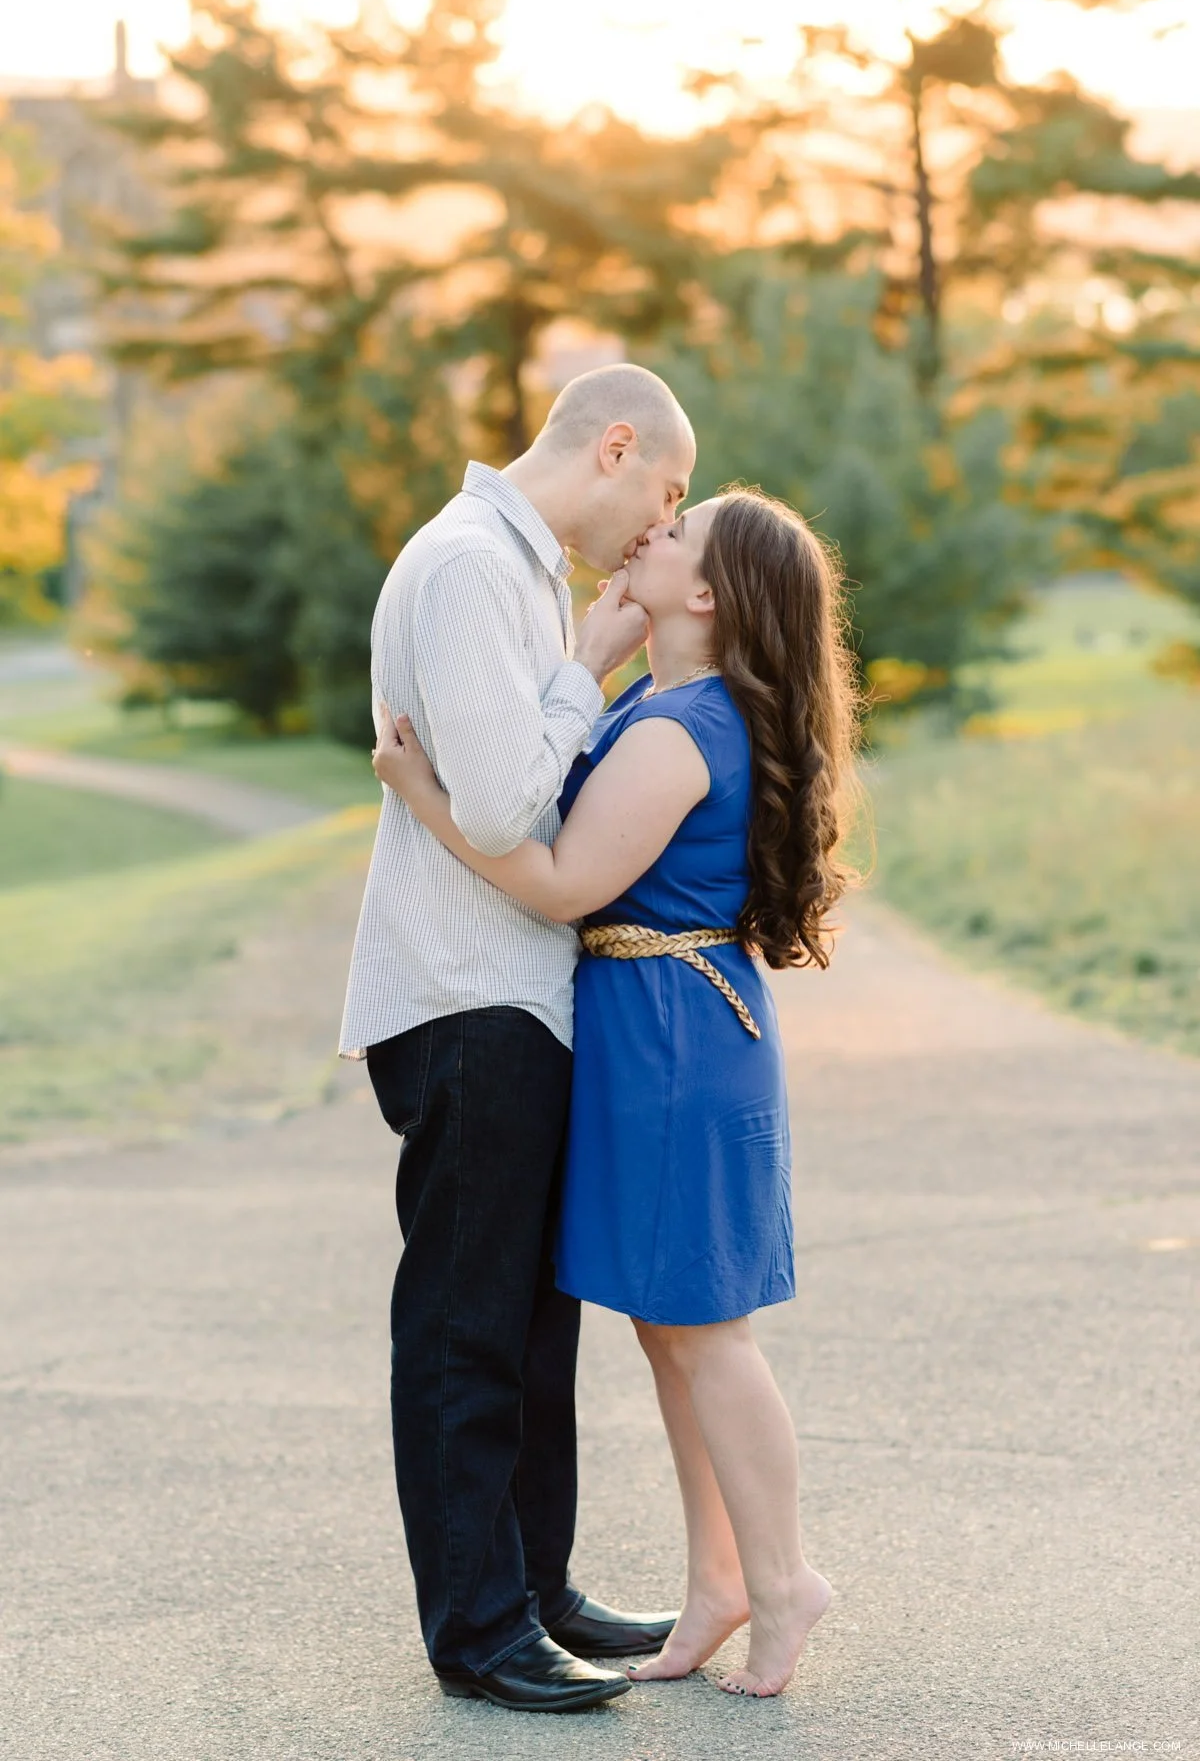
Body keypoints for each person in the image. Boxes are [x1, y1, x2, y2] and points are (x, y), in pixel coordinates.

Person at [372, 487, 861, 1698]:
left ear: (706, 596)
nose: (652, 534)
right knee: (668, 1327)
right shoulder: (667, 703)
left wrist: (421, 794)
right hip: (660, 1031)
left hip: (678, 1045)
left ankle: (786, 1576)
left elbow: (560, 884)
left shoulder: (677, 729)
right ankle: (718, 1582)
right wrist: (590, 660)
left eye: (677, 536)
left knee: (707, 1329)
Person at [339, 364, 698, 1713]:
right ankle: (479, 1626)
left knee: (536, 1327)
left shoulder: (521, 569)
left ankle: (534, 1591)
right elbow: (499, 811)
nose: (661, 521)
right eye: (663, 489)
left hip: (519, 993)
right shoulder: (468, 569)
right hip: (466, 997)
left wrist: (573, 662)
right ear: (615, 446)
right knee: (468, 1324)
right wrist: (592, 670)